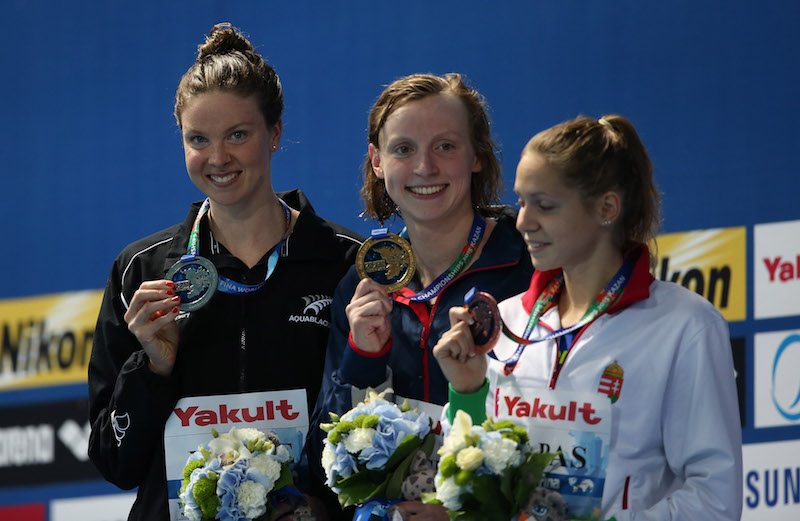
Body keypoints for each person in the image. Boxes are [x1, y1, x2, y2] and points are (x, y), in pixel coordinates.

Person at [88, 23, 363, 521]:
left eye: (238, 135)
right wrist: (152, 369)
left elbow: (375, 430)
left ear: (275, 133)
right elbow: (114, 461)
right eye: (198, 139)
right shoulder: (141, 271)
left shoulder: (346, 263)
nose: (218, 158)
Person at [432, 115, 742, 521]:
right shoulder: (506, 322)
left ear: (606, 207)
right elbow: (465, 487)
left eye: (545, 205)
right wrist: (467, 392)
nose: (523, 221)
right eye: (522, 202)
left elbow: (714, 498)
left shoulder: (685, 327)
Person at [309, 73, 533, 520]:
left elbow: (559, 432)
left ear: (477, 156)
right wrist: (363, 357)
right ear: (377, 161)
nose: (425, 168)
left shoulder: (530, 263)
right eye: (403, 149)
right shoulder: (361, 287)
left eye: (445, 146)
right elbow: (322, 467)